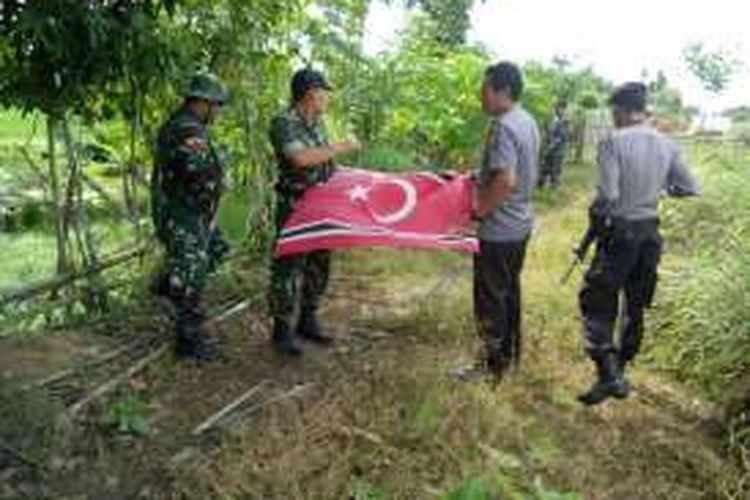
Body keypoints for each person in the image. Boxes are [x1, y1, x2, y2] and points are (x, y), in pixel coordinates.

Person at [577, 82, 700, 405]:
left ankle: (608, 372)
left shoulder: (612, 143)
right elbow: (689, 187)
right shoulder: (668, 145)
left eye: (613, 112)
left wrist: (594, 227)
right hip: (649, 235)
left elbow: (608, 196)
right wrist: (665, 189)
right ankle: (618, 372)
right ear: (641, 109)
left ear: (619, 110)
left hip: (620, 233)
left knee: (596, 299)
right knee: (635, 305)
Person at [267, 68, 359, 357]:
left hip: (321, 203)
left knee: (320, 263)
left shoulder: (318, 123)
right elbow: (301, 158)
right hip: (295, 205)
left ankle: (308, 320)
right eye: (324, 92)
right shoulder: (284, 122)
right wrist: (340, 147)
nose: (327, 98)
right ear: (310, 94)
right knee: (289, 266)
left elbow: (324, 163)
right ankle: (281, 330)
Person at [151, 72, 230, 362]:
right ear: (203, 103)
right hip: (181, 213)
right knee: (193, 270)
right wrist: (223, 171)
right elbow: (199, 172)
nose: (219, 111)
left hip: (193, 212)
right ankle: (189, 341)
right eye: (217, 105)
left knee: (217, 248)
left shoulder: (189, 125)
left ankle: (170, 282)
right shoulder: (187, 128)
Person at [471, 61, 540, 379]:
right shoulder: (526, 121)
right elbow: (507, 172)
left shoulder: (503, 126)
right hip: (520, 225)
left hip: (499, 229)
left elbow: (506, 180)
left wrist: (481, 209)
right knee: (508, 293)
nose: (480, 96)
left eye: (485, 90)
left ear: (503, 91)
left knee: (490, 299)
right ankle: (508, 358)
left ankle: (491, 368)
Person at [537, 99, 570, 188]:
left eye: (561, 108)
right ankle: (541, 182)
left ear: (564, 109)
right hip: (550, 146)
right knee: (546, 164)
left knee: (556, 166)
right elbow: (548, 130)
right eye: (557, 108)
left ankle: (554, 184)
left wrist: (553, 144)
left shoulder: (565, 121)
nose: (558, 110)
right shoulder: (554, 118)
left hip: (559, 149)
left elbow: (562, 136)